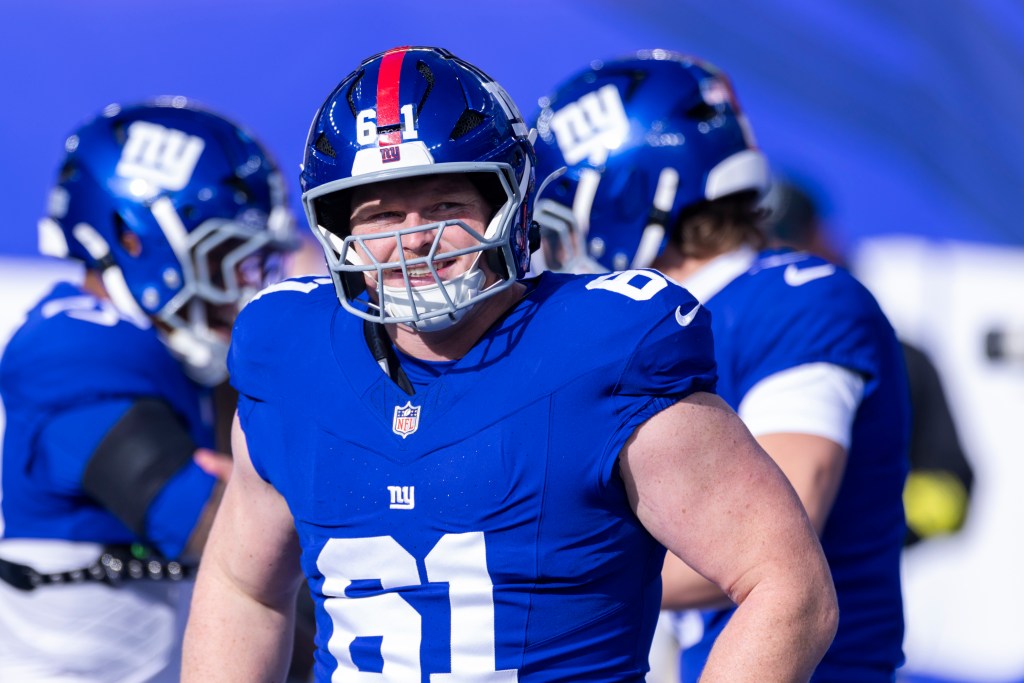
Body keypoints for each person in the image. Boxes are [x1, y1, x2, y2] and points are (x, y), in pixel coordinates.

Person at [182, 45, 838, 683]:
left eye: (445, 206)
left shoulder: (601, 351)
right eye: (381, 213)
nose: (413, 239)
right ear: (336, 230)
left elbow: (785, 584)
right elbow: (245, 589)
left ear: (512, 205)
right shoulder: (292, 355)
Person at [530, 50, 909, 682]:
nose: (554, 244)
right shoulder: (642, 328)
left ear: (624, 194)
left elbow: (777, 528)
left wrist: (526, 576)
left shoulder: (799, 300)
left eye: (563, 213)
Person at [0, 99, 296, 682]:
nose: (245, 286)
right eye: (226, 259)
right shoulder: (74, 348)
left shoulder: (170, 354)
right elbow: (216, 530)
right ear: (135, 241)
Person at [762, 178, 974, 546]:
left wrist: (858, 516)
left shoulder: (903, 360)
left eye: (792, 239)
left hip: (859, 588)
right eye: (764, 245)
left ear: (824, 240)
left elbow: (950, 488)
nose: (781, 259)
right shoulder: (722, 350)